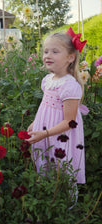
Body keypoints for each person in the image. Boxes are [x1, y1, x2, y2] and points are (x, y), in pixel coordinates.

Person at [26, 27, 88, 185]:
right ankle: (47, 194)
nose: (48, 55)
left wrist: (46, 133)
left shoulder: (69, 86)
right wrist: (36, 123)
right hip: (45, 129)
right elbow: (45, 107)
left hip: (60, 133)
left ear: (70, 58)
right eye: (46, 51)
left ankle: (64, 202)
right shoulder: (48, 80)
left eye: (55, 51)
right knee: (45, 160)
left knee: (60, 164)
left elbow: (69, 122)